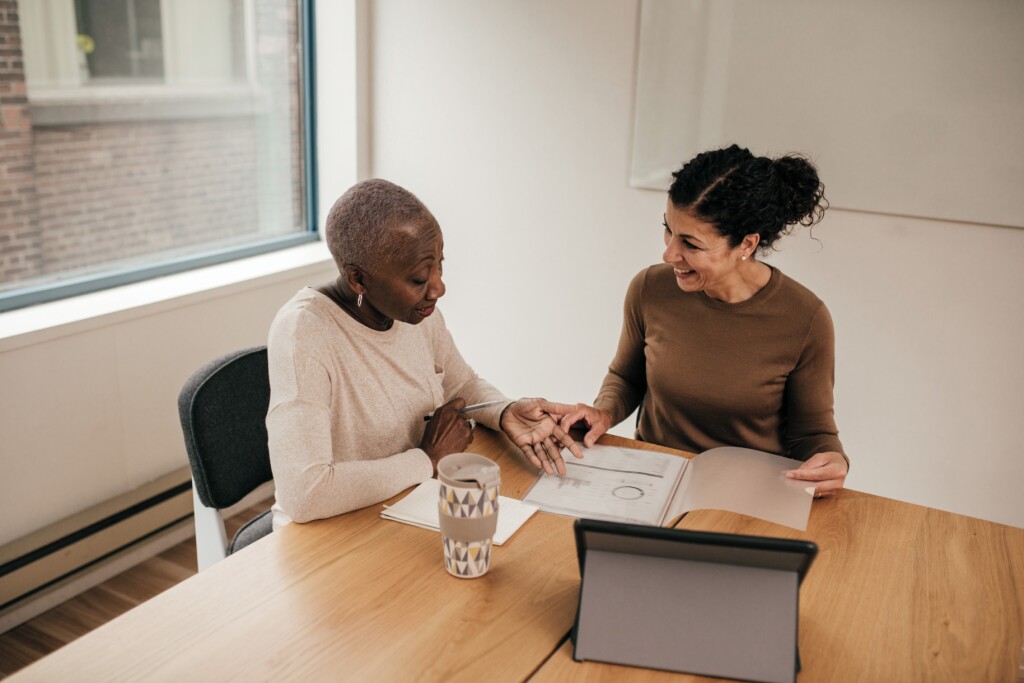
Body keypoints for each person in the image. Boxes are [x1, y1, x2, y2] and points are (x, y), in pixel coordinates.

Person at [267, 179, 582, 528]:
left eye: (439, 264)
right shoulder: (304, 333)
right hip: (328, 535)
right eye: (419, 278)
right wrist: (427, 460)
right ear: (358, 279)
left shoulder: (415, 313)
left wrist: (504, 410)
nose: (439, 288)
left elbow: (460, 383)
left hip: (404, 507)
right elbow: (304, 492)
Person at [560, 145, 848, 497]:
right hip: (650, 483)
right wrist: (603, 412)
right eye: (668, 230)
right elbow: (626, 377)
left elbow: (813, 433)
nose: (668, 254)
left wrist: (832, 461)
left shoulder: (805, 318)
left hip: (747, 496)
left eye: (691, 244)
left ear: (746, 243)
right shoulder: (650, 288)